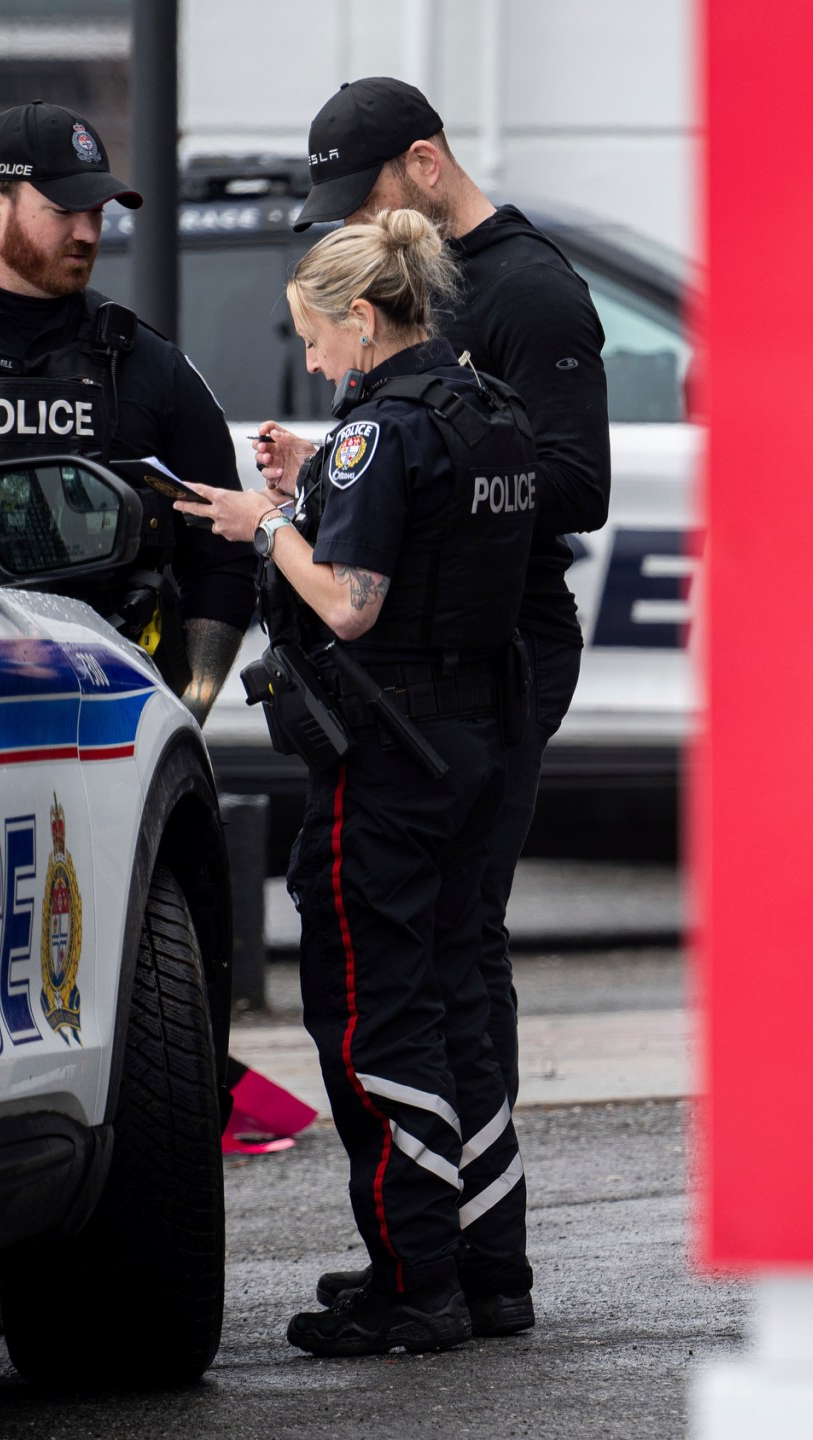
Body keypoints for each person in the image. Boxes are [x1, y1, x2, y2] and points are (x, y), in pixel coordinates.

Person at [258, 76, 612, 1324]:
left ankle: (424, 1276)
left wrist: (343, 501)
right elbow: (467, 462)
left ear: (419, 165)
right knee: (453, 969)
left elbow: (569, 483)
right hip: (461, 682)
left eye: (357, 200)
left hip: (447, 685)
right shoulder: (422, 390)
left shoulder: (522, 291)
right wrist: (361, 471)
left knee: (392, 986)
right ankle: (478, 1268)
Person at [176, 208, 539, 1357]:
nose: (316, 361)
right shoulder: (485, 412)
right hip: (477, 740)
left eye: (318, 338)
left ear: (365, 317)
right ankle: (490, 1272)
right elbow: (432, 550)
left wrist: (269, 517)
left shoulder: (378, 437)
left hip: (387, 763)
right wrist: (317, 486)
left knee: (375, 1018)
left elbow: (351, 601)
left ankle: (412, 1279)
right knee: (461, 1006)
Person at [0, 100, 254, 720]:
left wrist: (183, 710)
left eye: (97, 212)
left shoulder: (145, 364)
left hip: (97, 728)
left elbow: (224, 556)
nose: (88, 232)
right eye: (64, 211)